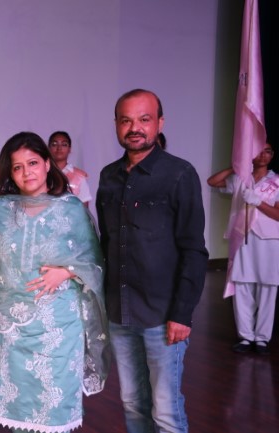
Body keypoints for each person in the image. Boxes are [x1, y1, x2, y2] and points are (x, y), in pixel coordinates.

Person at [0, 132, 110, 433]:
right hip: (11, 327)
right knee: (17, 412)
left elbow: (94, 261)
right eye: (18, 167)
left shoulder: (70, 208)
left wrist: (67, 271)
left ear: (48, 164)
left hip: (58, 327)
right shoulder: (0, 209)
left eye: (33, 163)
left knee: (55, 411)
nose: (27, 172)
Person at [96, 89, 208, 433]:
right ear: (116, 125)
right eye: (126, 120)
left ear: (160, 123)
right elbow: (106, 243)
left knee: (166, 410)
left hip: (162, 316)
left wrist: (182, 314)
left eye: (144, 119)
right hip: (120, 314)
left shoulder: (179, 174)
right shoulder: (108, 176)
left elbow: (194, 250)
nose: (135, 128)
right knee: (132, 403)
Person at [207, 141, 279, 355]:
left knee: (267, 288)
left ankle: (262, 338)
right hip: (242, 238)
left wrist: (258, 202)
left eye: (268, 151)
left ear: (272, 155)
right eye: (259, 151)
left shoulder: (277, 181)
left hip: (269, 240)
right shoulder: (241, 179)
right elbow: (213, 181)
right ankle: (246, 336)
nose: (263, 155)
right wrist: (236, 166)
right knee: (242, 286)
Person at [47, 131, 92, 206]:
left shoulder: (79, 176)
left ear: (69, 149)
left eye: (64, 144)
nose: (59, 148)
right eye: (54, 144)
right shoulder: (41, 174)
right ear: (48, 148)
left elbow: (84, 208)